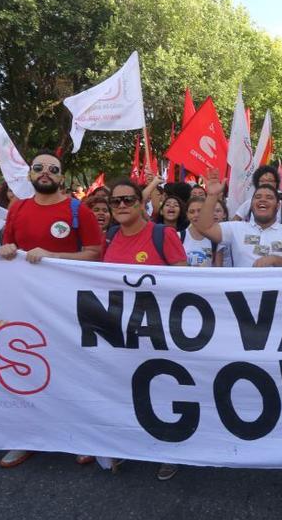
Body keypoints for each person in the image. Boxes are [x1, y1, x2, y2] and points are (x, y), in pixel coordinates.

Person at [0, 151, 102, 469]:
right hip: (24, 304)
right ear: (30, 175)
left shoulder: (77, 209)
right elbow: (7, 248)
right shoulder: (18, 208)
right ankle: (27, 436)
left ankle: (82, 436)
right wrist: (6, 249)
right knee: (26, 369)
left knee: (71, 370)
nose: (45, 173)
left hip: (66, 305)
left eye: (52, 169)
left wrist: (52, 255)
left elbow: (95, 253)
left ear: (61, 177)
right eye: (38, 168)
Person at [100, 179, 185, 480]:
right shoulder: (109, 237)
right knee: (125, 389)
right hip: (120, 332)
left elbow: (185, 282)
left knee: (160, 390)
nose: (121, 206)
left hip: (159, 331)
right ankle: (129, 445)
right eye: (115, 201)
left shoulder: (164, 235)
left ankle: (168, 450)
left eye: (128, 200)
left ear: (141, 203)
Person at [196, 168, 282, 268]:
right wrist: (212, 196)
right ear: (251, 205)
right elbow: (204, 228)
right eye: (258, 197)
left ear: (277, 206)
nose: (263, 200)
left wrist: (275, 260)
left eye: (269, 197)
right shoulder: (236, 229)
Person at [183, 196, 223, 267]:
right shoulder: (178, 236)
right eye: (192, 212)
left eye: (200, 211)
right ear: (187, 215)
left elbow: (218, 270)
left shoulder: (215, 239)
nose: (196, 215)